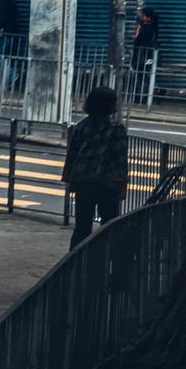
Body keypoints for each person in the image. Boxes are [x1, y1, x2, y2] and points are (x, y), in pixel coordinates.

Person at [62, 84, 128, 247]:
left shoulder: (81, 127)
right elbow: (120, 159)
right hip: (108, 183)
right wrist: (123, 185)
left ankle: (75, 262)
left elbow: (71, 156)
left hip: (83, 182)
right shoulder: (116, 129)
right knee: (108, 226)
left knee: (82, 227)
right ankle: (106, 260)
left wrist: (70, 180)